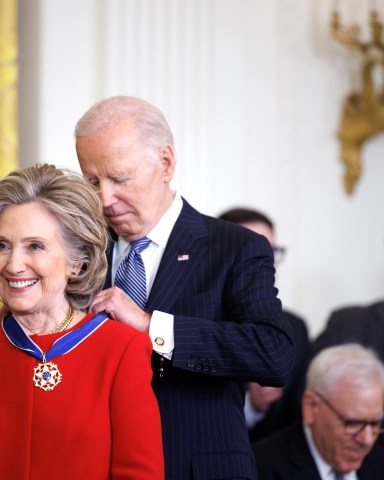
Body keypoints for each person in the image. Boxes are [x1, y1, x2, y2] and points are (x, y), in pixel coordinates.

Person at [74, 95, 295, 480]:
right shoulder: (81, 251)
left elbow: (273, 354)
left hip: (197, 468)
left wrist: (151, 326)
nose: (104, 199)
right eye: (92, 181)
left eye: (119, 178)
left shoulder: (234, 247)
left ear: (165, 163)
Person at [0, 164, 164, 480]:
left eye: (35, 246)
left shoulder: (121, 350)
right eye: (3, 245)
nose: (14, 264)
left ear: (77, 263)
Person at [219, 207, 311, 442]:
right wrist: (250, 406)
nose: (265, 263)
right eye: (252, 252)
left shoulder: (295, 327)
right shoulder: (192, 327)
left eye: (271, 252)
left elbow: (300, 421)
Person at [252, 343, 384, 479]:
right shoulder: (258, 469)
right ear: (311, 406)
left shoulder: (380, 465)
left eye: (375, 423)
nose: (367, 440)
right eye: (353, 423)